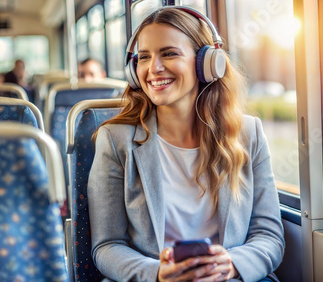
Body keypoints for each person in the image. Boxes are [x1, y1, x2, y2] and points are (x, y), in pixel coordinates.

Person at [87, 7, 284, 282]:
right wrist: (157, 273)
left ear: (206, 63)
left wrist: (231, 264)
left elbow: (269, 236)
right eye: (144, 57)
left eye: (169, 53)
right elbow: (106, 246)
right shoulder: (116, 140)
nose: (153, 68)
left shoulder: (247, 134)